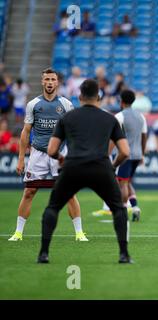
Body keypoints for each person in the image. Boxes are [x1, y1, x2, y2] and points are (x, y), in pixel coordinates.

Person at [37, 79, 132, 263]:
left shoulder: (67, 118)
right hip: (101, 167)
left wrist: (62, 159)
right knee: (118, 209)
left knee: (53, 208)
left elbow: (51, 150)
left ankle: (43, 253)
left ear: (80, 97)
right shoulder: (110, 119)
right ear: (99, 97)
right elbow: (125, 152)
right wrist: (111, 167)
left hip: (73, 167)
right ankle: (123, 254)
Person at [8, 68, 87, 242]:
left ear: (57, 82)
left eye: (53, 79)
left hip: (60, 154)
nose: (50, 82)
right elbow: (25, 133)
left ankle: (79, 233)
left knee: (70, 193)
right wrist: (21, 159)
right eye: (47, 80)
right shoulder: (33, 104)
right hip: (38, 154)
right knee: (29, 191)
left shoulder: (66, 104)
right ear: (42, 82)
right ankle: (18, 233)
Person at [113, 89, 147, 222]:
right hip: (137, 154)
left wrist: (108, 153)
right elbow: (144, 137)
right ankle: (135, 207)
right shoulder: (141, 116)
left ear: (121, 101)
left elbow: (113, 137)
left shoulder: (119, 116)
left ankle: (122, 212)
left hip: (124, 155)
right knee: (127, 182)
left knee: (122, 183)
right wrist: (142, 154)